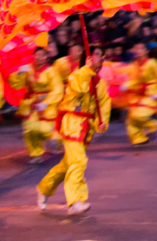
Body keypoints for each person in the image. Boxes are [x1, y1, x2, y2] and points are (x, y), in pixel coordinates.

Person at [36, 46, 111, 215]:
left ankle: (44, 188)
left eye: (101, 54)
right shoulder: (77, 75)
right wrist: (87, 69)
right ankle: (75, 201)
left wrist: (102, 122)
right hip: (72, 122)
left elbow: (104, 105)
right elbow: (79, 88)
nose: (100, 57)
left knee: (66, 165)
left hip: (86, 127)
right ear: (88, 57)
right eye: (96, 54)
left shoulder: (101, 83)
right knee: (79, 161)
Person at [10, 47, 64, 162]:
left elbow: (57, 89)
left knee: (44, 130)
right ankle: (36, 154)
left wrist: (46, 103)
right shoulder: (27, 69)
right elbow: (16, 85)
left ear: (46, 57)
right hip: (30, 104)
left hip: (46, 105)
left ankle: (55, 139)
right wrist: (18, 73)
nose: (39, 57)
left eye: (42, 55)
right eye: (37, 55)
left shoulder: (51, 71)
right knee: (29, 130)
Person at [124, 42, 157, 146]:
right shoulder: (134, 64)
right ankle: (139, 138)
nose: (137, 51)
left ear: (146, 51)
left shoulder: (152, 63)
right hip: (138, 93)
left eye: (140, 49)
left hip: (151, 93)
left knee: (139, 115)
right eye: (136, 48)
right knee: (131, 119)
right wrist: (127, 85)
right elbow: (135, 79)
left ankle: (153, 125)